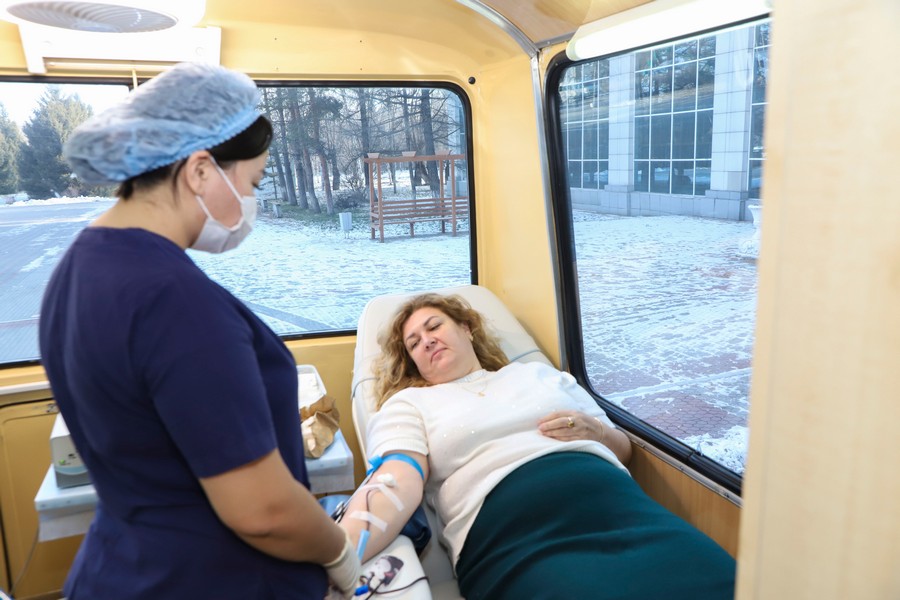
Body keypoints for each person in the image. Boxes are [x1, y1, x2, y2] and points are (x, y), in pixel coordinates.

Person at [39, 62, 360, 600]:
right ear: (200, 171)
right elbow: (263, 511)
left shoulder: (80, 267)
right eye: (252, 182)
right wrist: (338, 552)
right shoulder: (174, 300)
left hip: (122, 567)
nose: (252, 201)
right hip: (209, 578)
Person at [338, 293, 736, 599]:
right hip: (517, 540)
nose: (426, 341)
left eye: (434, 326)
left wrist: (596, 431)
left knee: (727, 582)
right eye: (413, 343)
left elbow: (623, 450)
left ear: (466, 328)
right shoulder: (410, 403)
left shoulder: (539, 375)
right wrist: (336, 556)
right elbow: (394, 482)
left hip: (625, 512)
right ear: (412, 361)